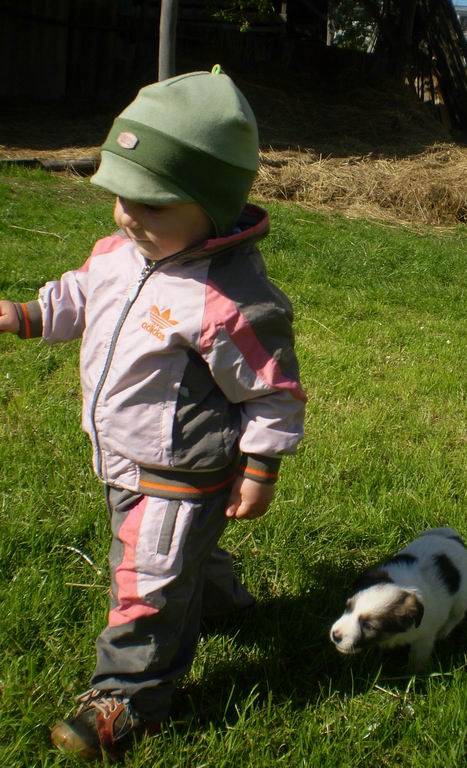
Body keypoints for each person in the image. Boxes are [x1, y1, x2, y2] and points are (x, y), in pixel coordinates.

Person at [0, 68, 305, 760]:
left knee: (146, 578)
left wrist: (261, 466)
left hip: (178, 469)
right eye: (120, 197)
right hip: (124, 454)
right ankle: (221, 600)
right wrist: (29, 315)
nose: (128, 216)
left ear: (213, 205)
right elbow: (81, 295)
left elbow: (273, 390)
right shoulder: (120, 253)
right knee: (178, 554)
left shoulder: (230, 301)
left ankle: (130, 698)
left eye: (153, 204)